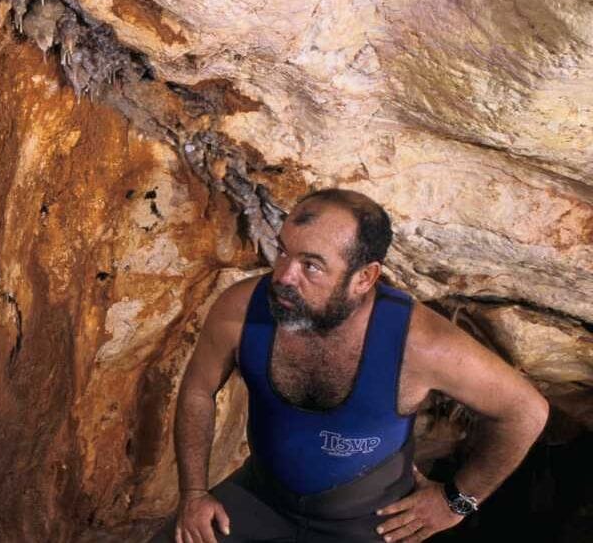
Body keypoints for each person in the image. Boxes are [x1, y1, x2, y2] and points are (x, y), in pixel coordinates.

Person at [151, 188, 549, 543]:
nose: (284, 276)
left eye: (311, 265)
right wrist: (194, 494)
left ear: (364, 278)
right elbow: (199, 390)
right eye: (284, 251)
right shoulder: (241, 309)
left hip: (370, 523)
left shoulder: (420, 343)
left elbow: (525, 411)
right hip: (261, 498)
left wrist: (457, 502)